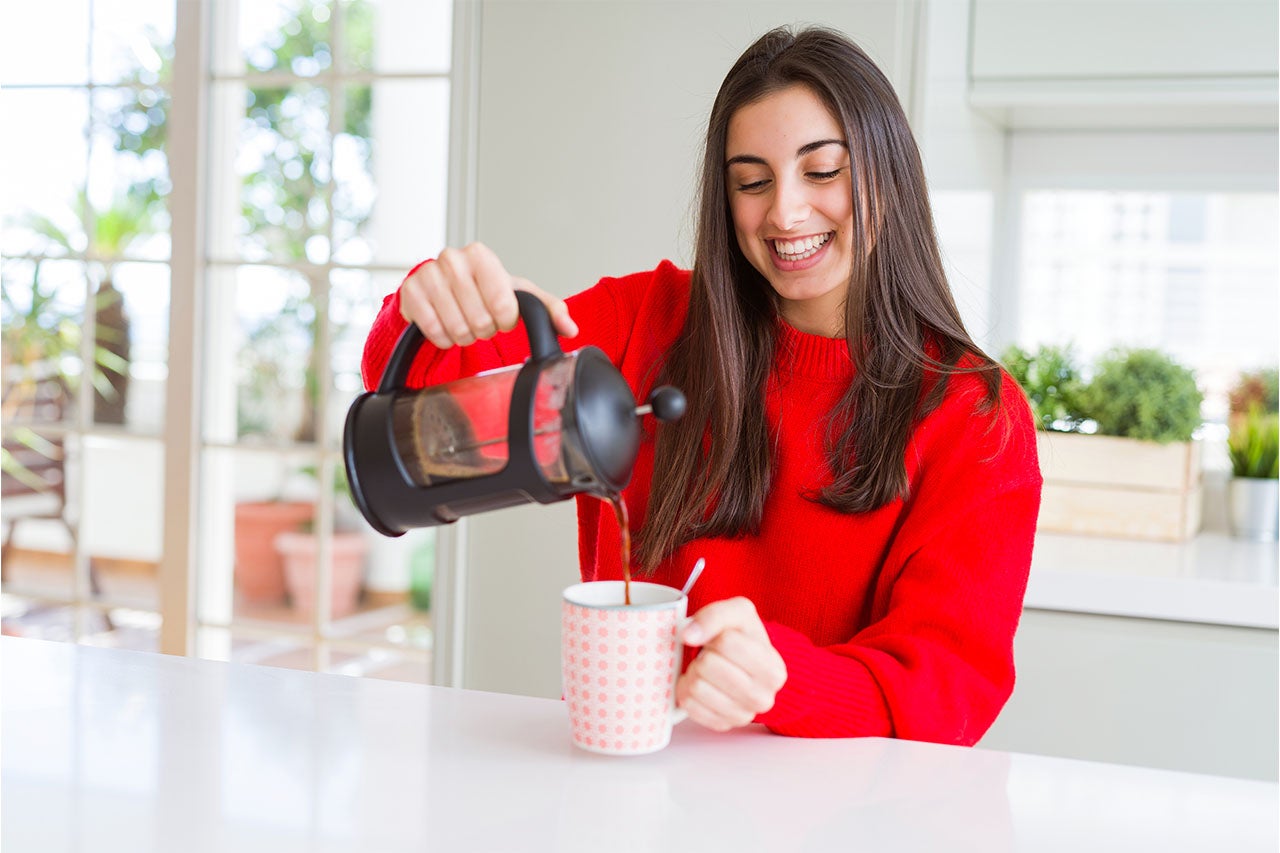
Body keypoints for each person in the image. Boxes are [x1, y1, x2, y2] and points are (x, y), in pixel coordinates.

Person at [361, 26, 1042, 745]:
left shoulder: (975, 414)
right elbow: (414, 388)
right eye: (751, 181)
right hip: (619, 782)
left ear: (887, 173)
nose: (784, 213)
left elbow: (949, 692)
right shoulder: (644, 321)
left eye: (822, 172)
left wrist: (783, 681)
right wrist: (429, 307)